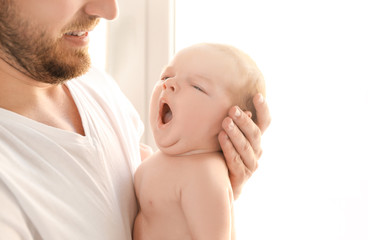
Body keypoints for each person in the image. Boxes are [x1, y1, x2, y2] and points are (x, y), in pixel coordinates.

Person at [0, 1, 271, 239]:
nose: (109, 10)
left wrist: (218, 192)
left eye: (198, 87)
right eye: (166, 77)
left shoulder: (97, 86)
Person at [133, 43, 266, 240]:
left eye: (197, 86)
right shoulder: (162, 160)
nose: (169, 84)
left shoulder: (205, 176)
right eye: (166, 76)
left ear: (235, 122)